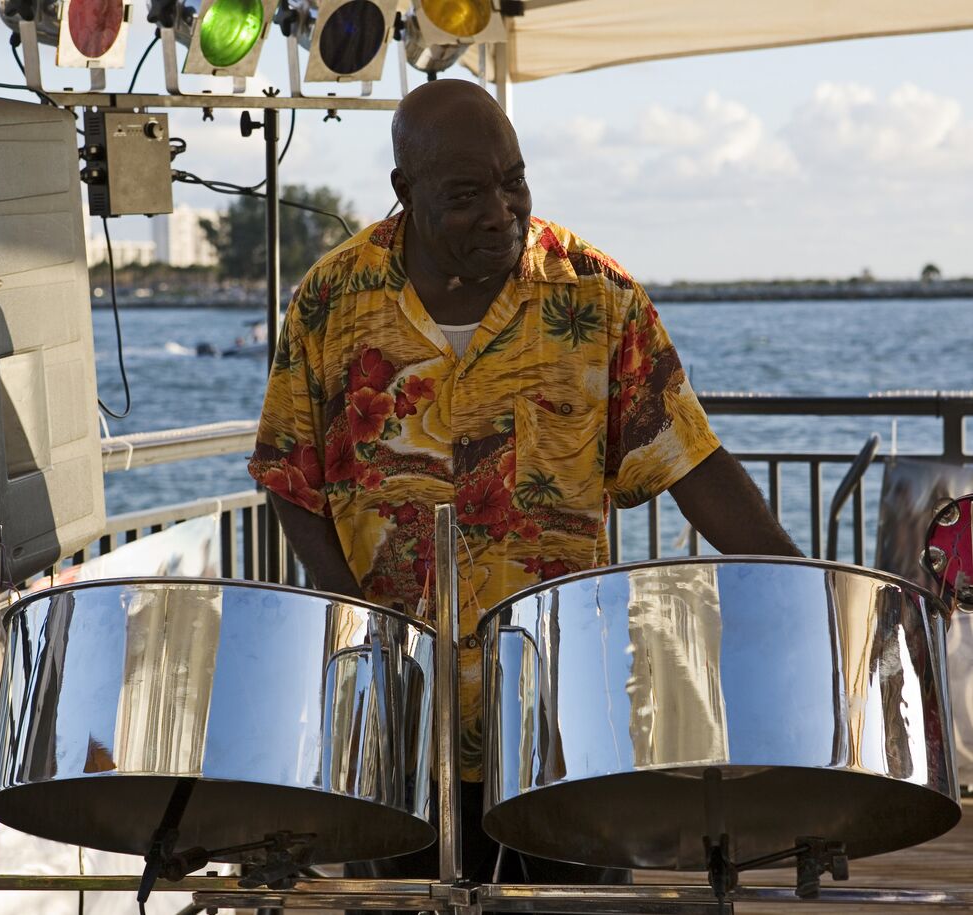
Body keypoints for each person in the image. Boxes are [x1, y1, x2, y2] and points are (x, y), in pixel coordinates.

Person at [248, 78, 800, 882]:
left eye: (515, 182)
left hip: (557, 713)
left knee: (571, 902)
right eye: (467, 194)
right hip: (406, 713)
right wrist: (361, 629)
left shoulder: (594, 293)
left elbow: (690, 459)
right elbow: (290, 478)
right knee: (408, 899)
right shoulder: (331, 303)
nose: (501, 211)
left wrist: (805, 589)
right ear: (406, 192)